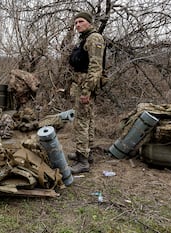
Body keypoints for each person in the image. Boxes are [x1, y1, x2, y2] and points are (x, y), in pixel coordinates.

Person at [67, 12, 105, 174]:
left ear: (89, 23)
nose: (77, 25)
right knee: (87, 118)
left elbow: (96, 68)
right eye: (75, 23)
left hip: (86, 85)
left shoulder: (94, 38)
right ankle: (85, 153)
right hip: (82, 83)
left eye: (81, 21)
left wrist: (87, 90)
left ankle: (83, 160)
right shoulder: (85, 38)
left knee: (82, 121)